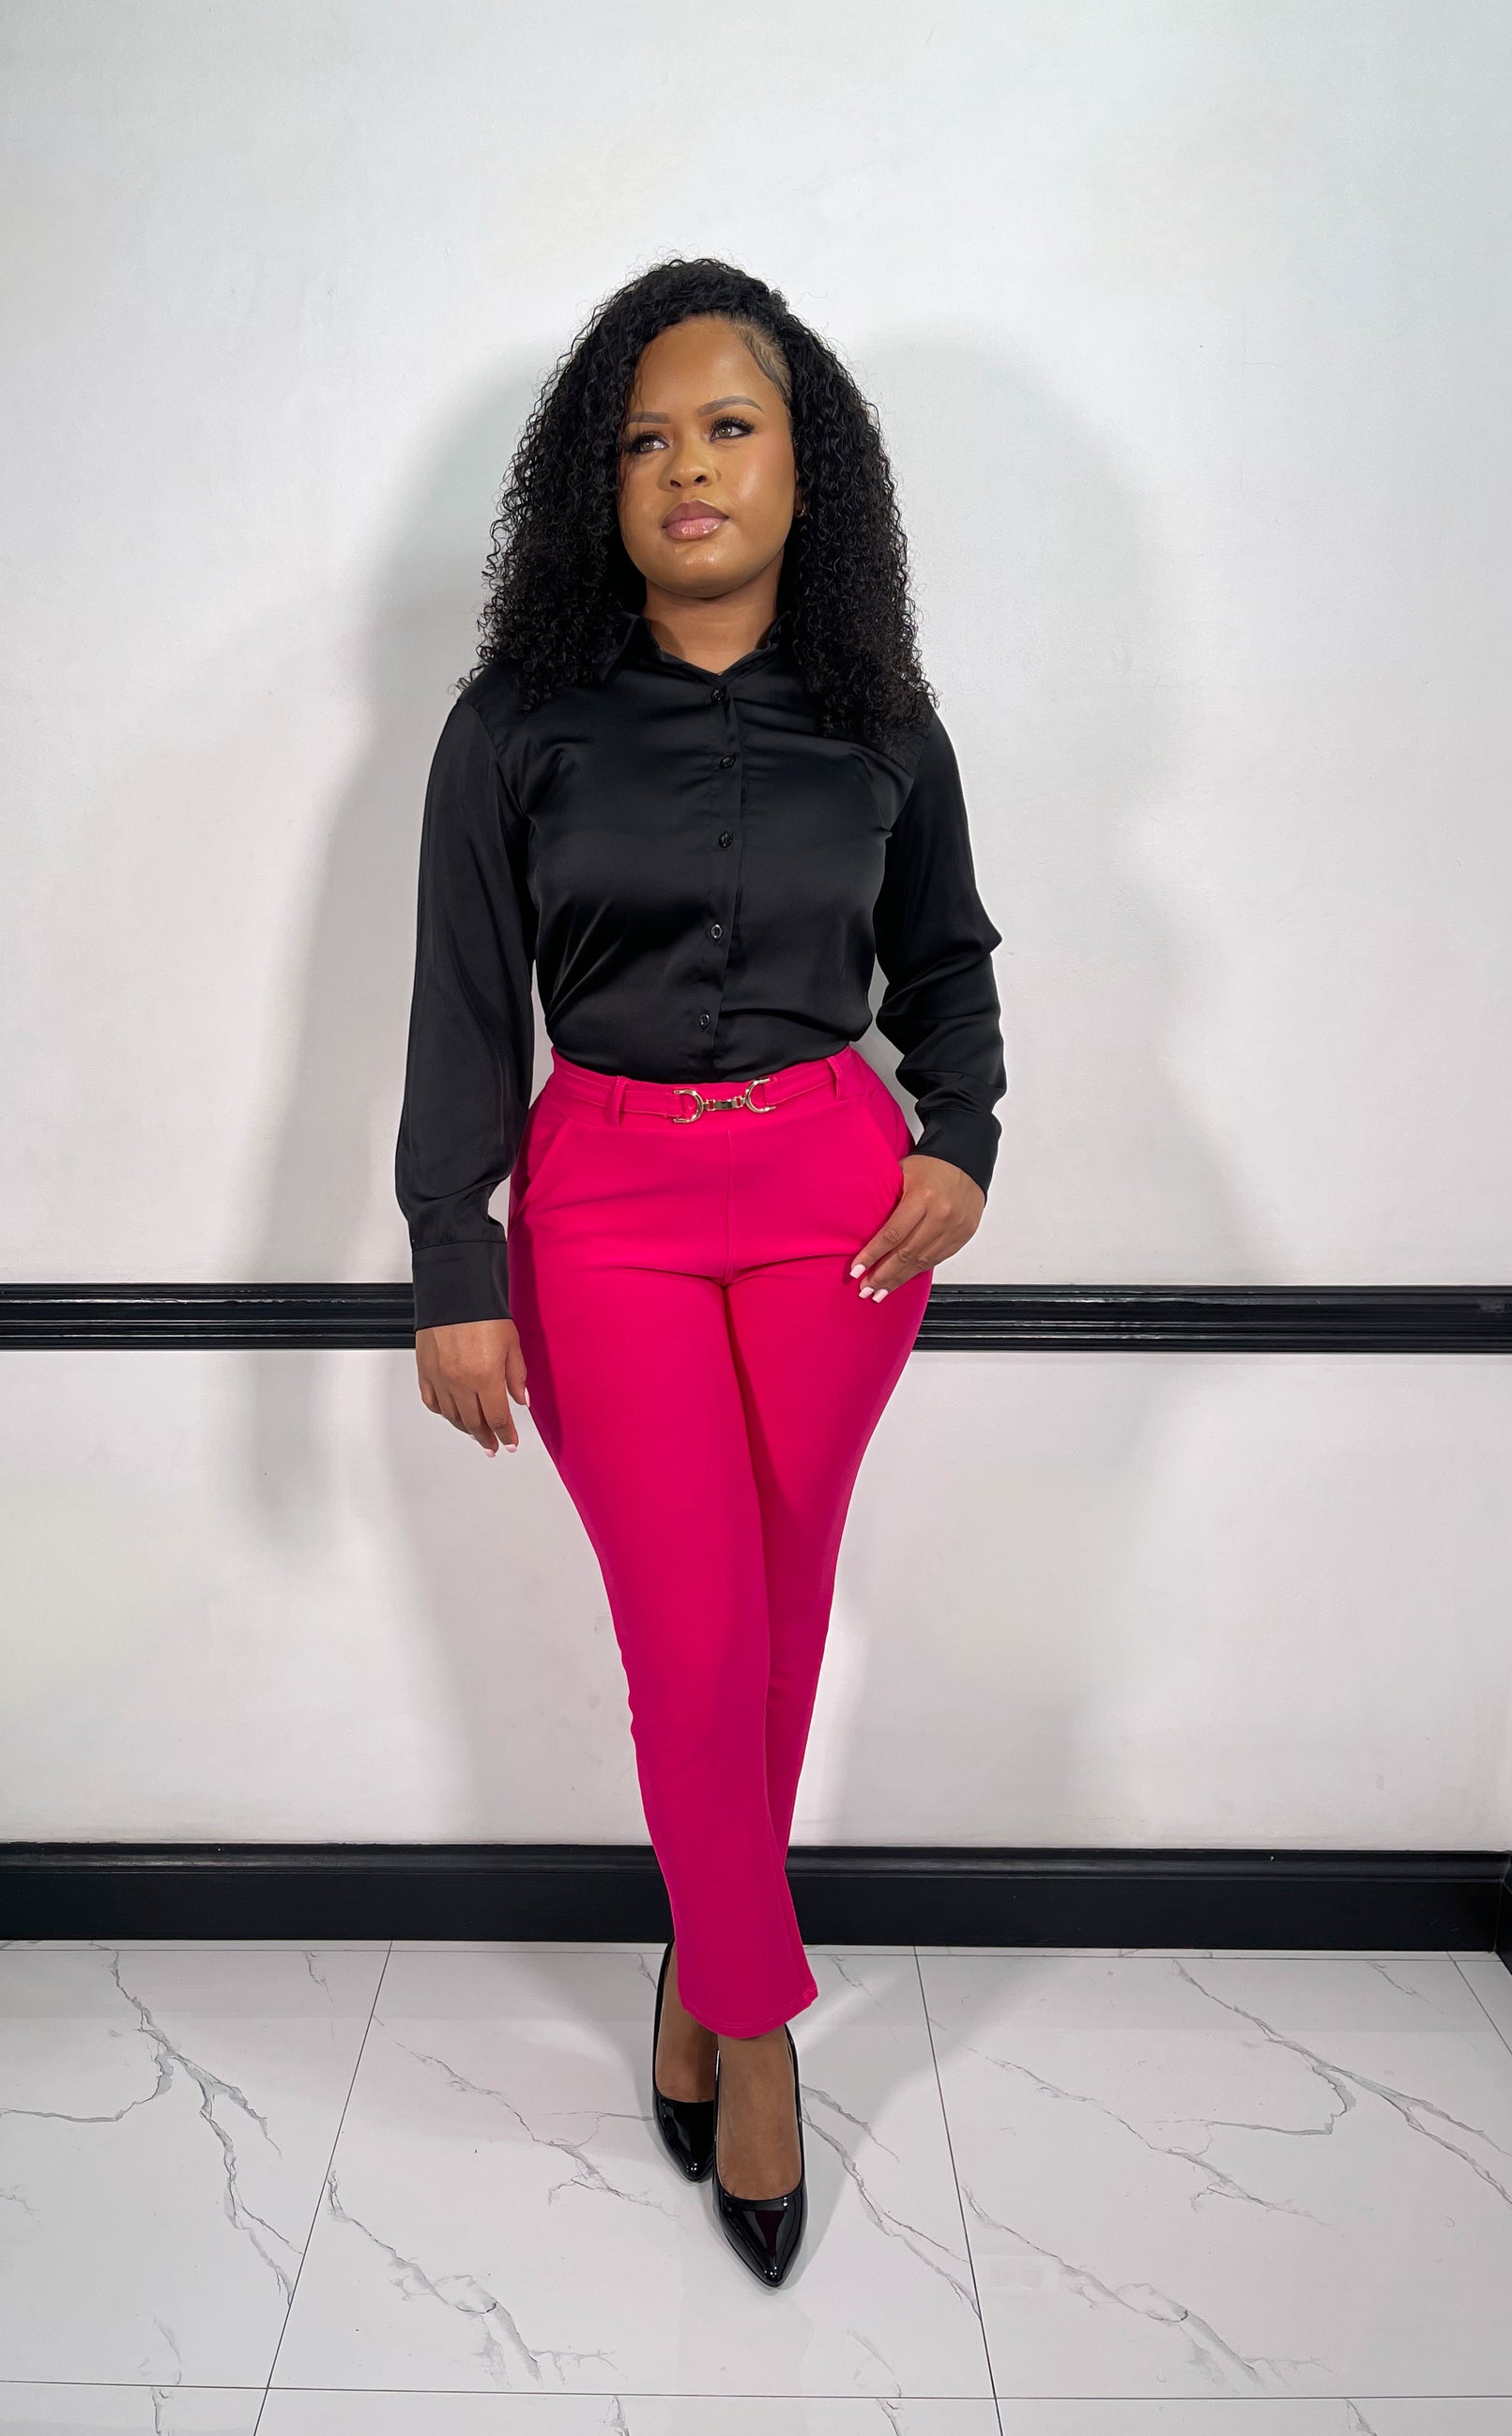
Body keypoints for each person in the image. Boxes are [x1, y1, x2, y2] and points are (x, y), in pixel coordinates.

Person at [393, 257, 1006, 2287]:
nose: (686, 468)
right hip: (606, 1206)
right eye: (644, 438)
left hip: (838, 1204)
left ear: (804, 468)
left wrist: (960, 1140)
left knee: (777, 1625)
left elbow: (946, 964)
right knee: (689, 1640)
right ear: (599, 480)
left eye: (728, 427)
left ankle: (693, 1954)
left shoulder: (884, 720)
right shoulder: (514, 724)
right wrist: (452, 1254)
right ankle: (752, 2026)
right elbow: (463, 1005)